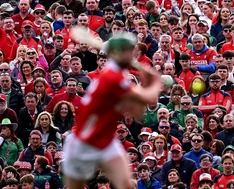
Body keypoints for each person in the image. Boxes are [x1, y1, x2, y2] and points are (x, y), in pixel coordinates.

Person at [62, 33, 161, 189]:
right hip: (84, 142)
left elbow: (137, 113)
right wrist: (155, 81)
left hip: (106, 139)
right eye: (127, 50)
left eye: (131, 49)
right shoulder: (112, 77)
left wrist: (147, 81)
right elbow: (147, 97)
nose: (132, 54)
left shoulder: (117, 74)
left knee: (127, 186)